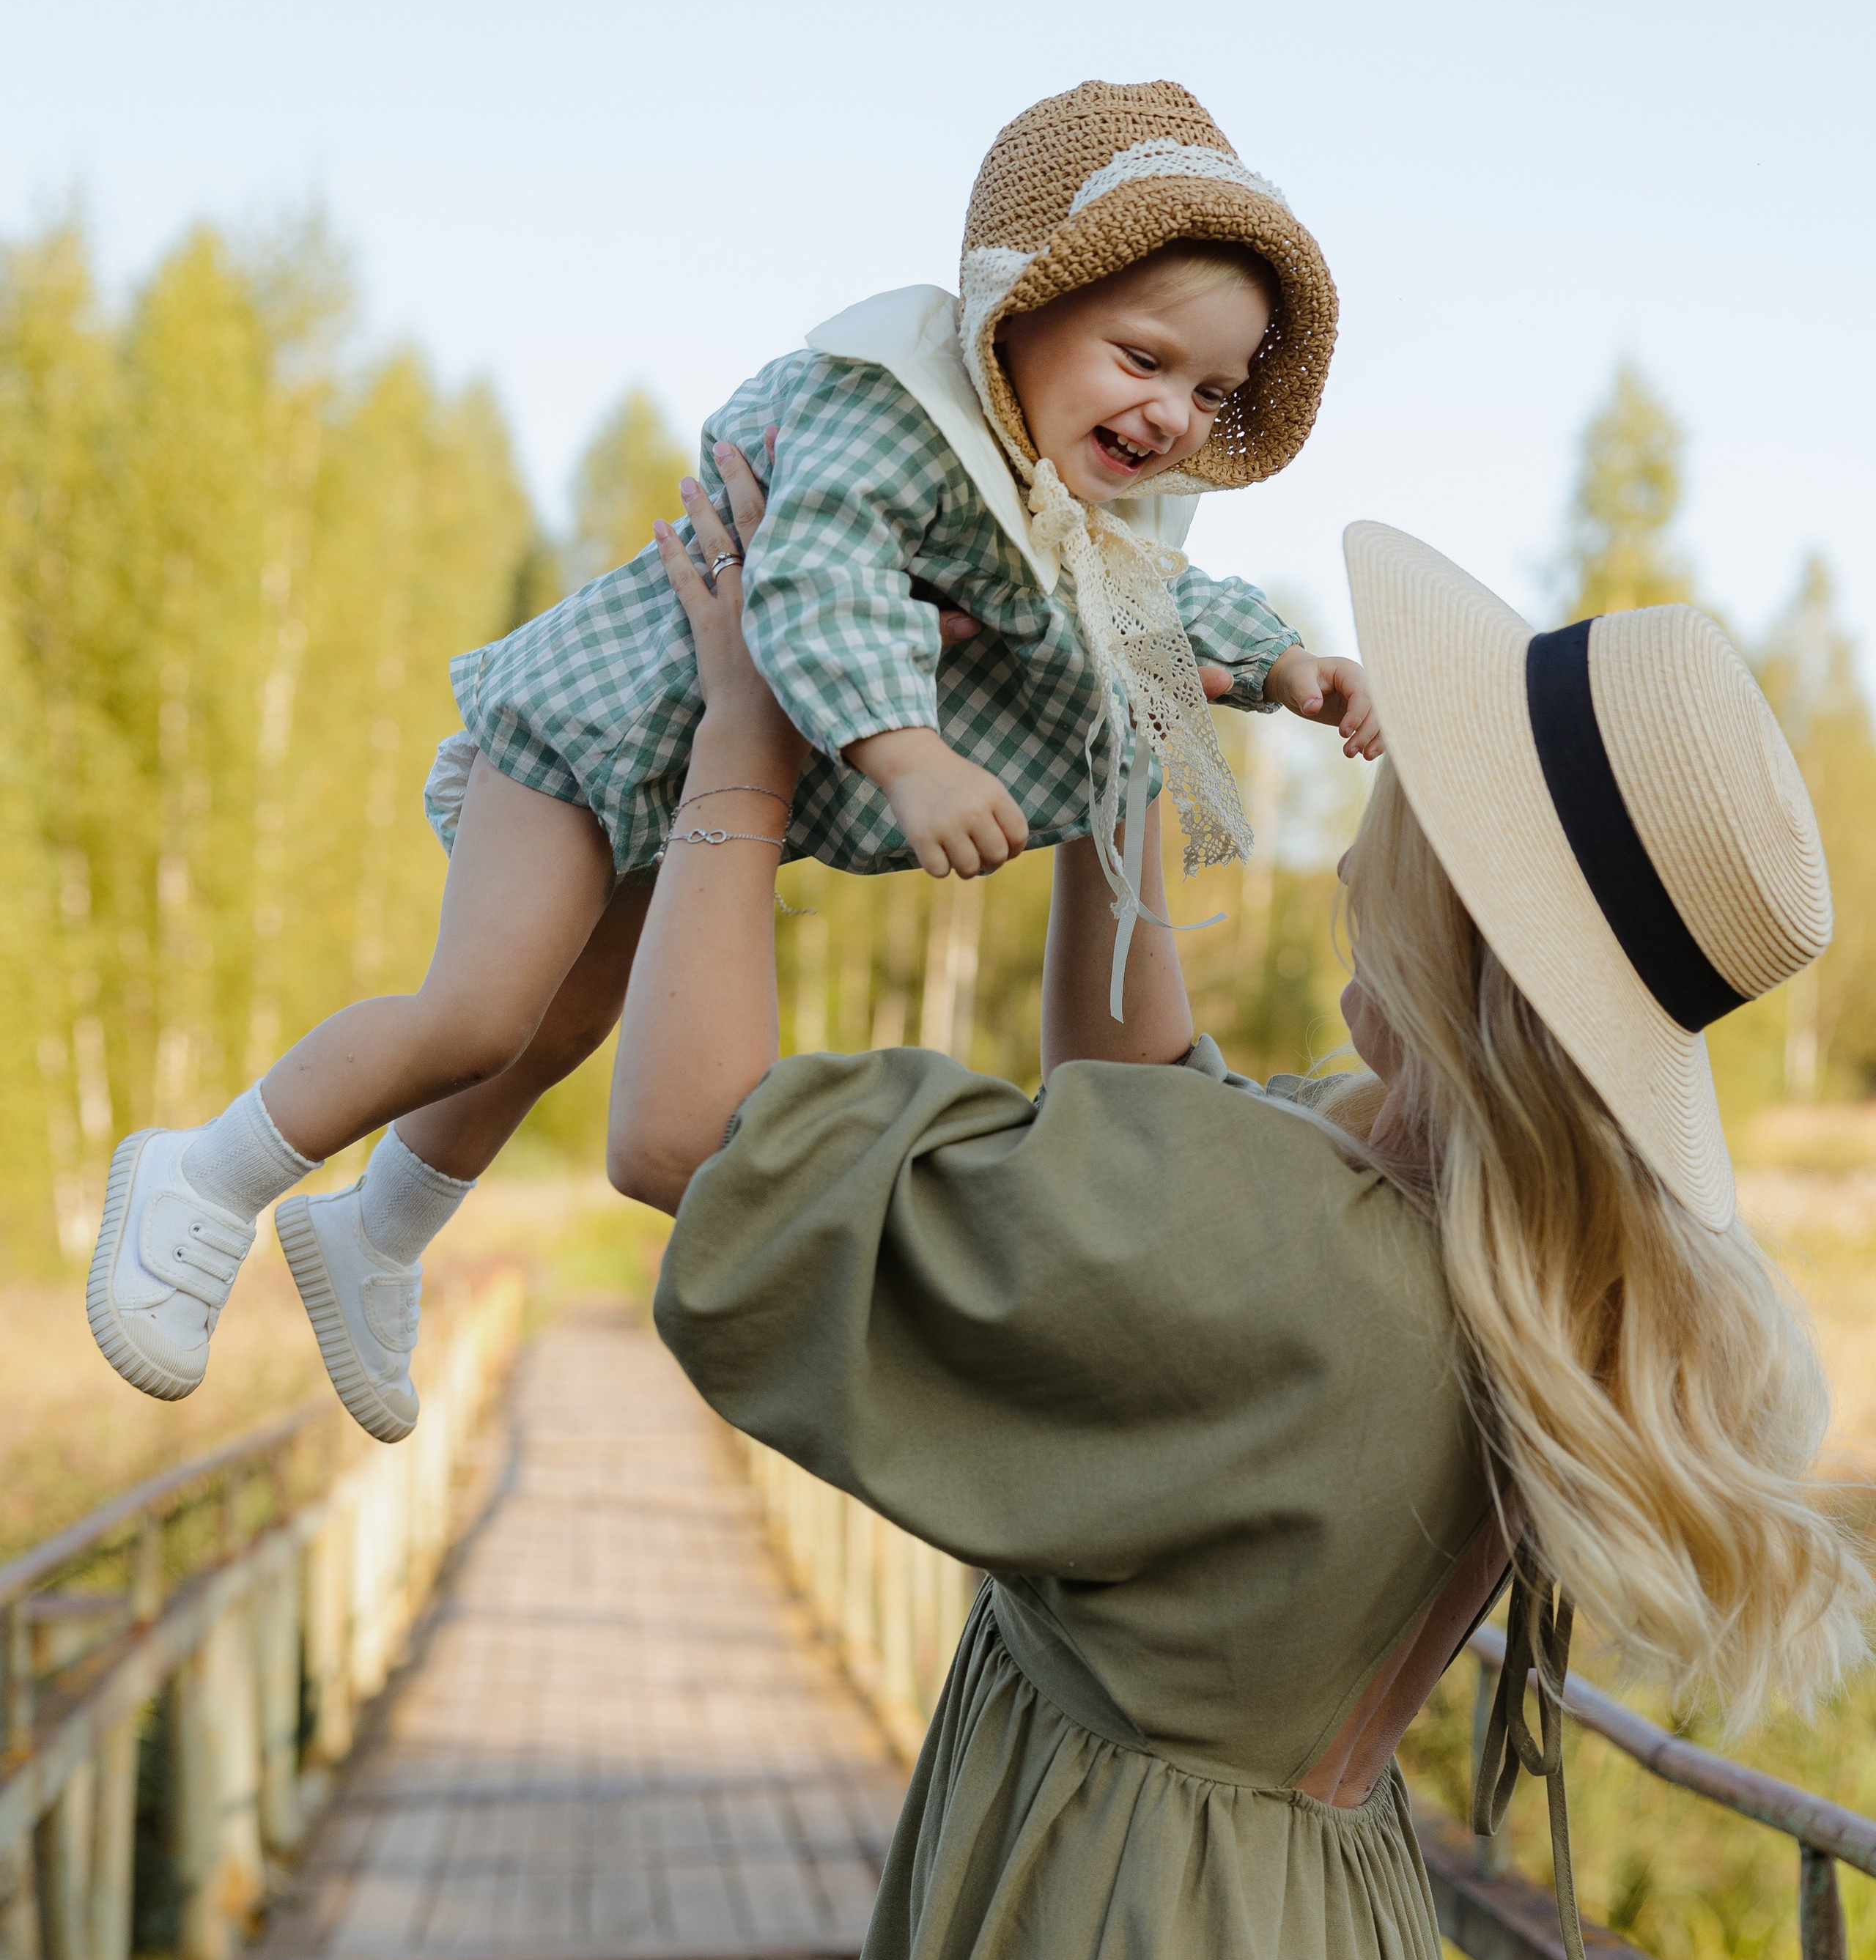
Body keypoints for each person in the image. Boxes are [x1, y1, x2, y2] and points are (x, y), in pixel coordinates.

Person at [612, 473, 1866, 1960]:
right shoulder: (1496, 1263)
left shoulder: (1298, 1255)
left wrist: (740, 745)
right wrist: (1129, 731)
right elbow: (1148, 1142)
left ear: (1442, 895)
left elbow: (695, 1141)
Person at [87, 78, 1376, 1443]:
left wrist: (1286, 669)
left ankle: (379, 1231)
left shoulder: (1064, 499)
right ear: (1022, 310)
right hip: (593, 729)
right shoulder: (890, 417)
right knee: (476, 1009)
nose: (1176, 413)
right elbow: (813, 583)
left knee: (557, 1028)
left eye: (1213, 390)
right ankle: (205, 1173)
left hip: (674, 775)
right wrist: (911, 756)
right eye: (1145, 359)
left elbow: (1152, 603)